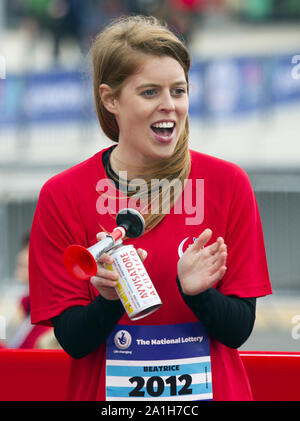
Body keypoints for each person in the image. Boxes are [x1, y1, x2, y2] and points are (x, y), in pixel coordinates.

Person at [29, 15, 272, 401]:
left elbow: (239, 329)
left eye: (179, 91)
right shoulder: (63, 194)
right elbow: (73, 340)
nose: (169, 106)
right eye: (149, 93)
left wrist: (199, 295)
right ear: (110, 99)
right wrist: (111, 300)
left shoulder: (228, 184)